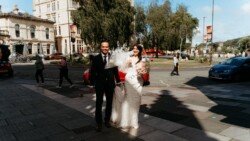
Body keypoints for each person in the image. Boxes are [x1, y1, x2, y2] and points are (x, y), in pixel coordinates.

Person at [111, 44, 147, 129]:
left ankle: (134, 122)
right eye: (134, 49)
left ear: (140, 50)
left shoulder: (143, 60)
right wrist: (127, 64)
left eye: (136, 49)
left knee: (136, 101)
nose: (134, 50)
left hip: (138, 82)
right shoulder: (129, 58)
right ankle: (125, 121)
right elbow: (122, 69)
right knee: (127, 100)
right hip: (129, 81)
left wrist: (142, 71)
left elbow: (145, 71)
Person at [89, 41, 121, 132]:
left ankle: (107, 121)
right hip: (99, 84)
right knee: (98, 104)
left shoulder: (112, 57)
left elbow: (115, 70)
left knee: (109, 104)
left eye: (106, 47)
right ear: (100, 47)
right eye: (103, 46)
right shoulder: (96, 58)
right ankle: (99, 123)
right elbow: (92, 72)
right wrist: (92, 84)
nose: (105, 48)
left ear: (109, 47)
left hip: (110, 84)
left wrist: (118, 81)